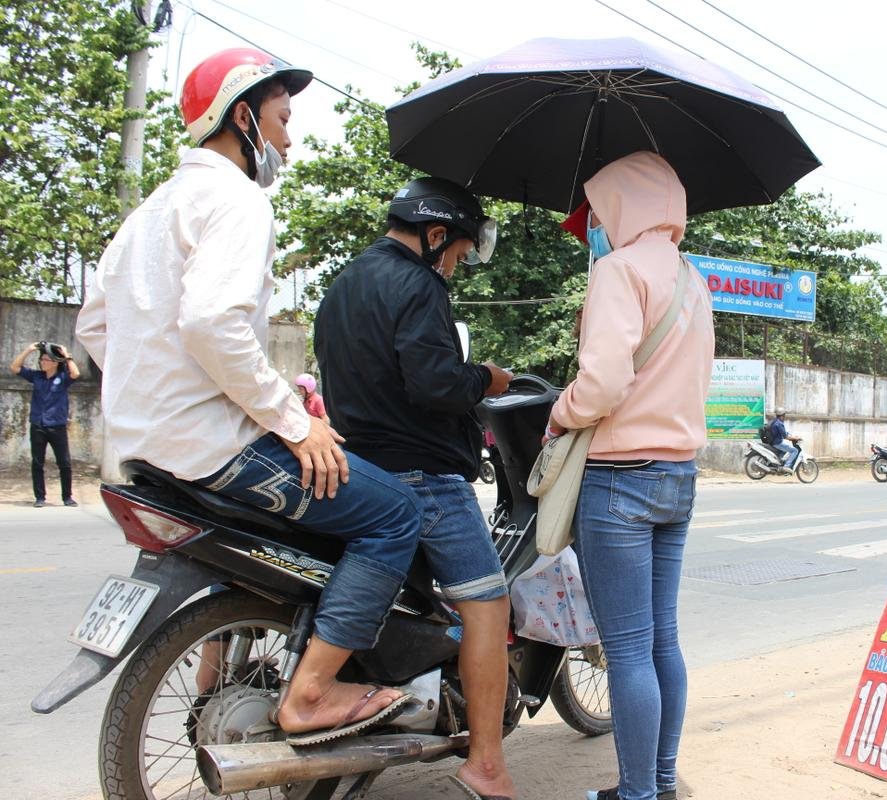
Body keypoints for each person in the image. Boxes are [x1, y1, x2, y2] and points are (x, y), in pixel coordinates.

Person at [75, 47, 426, 742]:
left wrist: (160, 389)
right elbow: (213, 323)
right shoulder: (235, 199)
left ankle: (229, 673)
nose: (289, 142)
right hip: (214, 445)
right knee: (393, 513)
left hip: (146, 445)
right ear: (244, 117)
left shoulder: (151, 209)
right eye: (283, 120)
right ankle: (314, 694)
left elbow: (94, 325)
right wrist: (293, 421)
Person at [313, 176, 516, 800]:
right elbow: (433, 384)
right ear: (434, 236)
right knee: (489, 605)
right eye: (457, 250)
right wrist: (487, 377)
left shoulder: (342, 284)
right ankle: (486, 762)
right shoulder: (419, 284)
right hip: (423, 476)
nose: (458, 263)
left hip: (360, 470)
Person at [546, 151, 715, 800]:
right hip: (679, 476)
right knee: (661, 640)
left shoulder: (618, 271)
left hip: (619, 480)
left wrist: (562, 413)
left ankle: (638, 795)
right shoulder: (693, 279)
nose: (595, 228)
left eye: (598, 213)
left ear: (622, 204)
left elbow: (604, 383)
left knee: (627, 649)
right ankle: (660, 785)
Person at [9, 341, 80, 507]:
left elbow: (75, 373)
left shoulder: (62, 378)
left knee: (64, 463)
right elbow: (15, 367)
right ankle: (40, 497)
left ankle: (67, 497)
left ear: (55, 362)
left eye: (46, 360)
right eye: (41, 359)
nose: (42, 362)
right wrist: (28, 350)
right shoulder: (36, 376)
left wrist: (66, 355)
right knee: (37, 463)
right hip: (38, 426)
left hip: (57, 426)